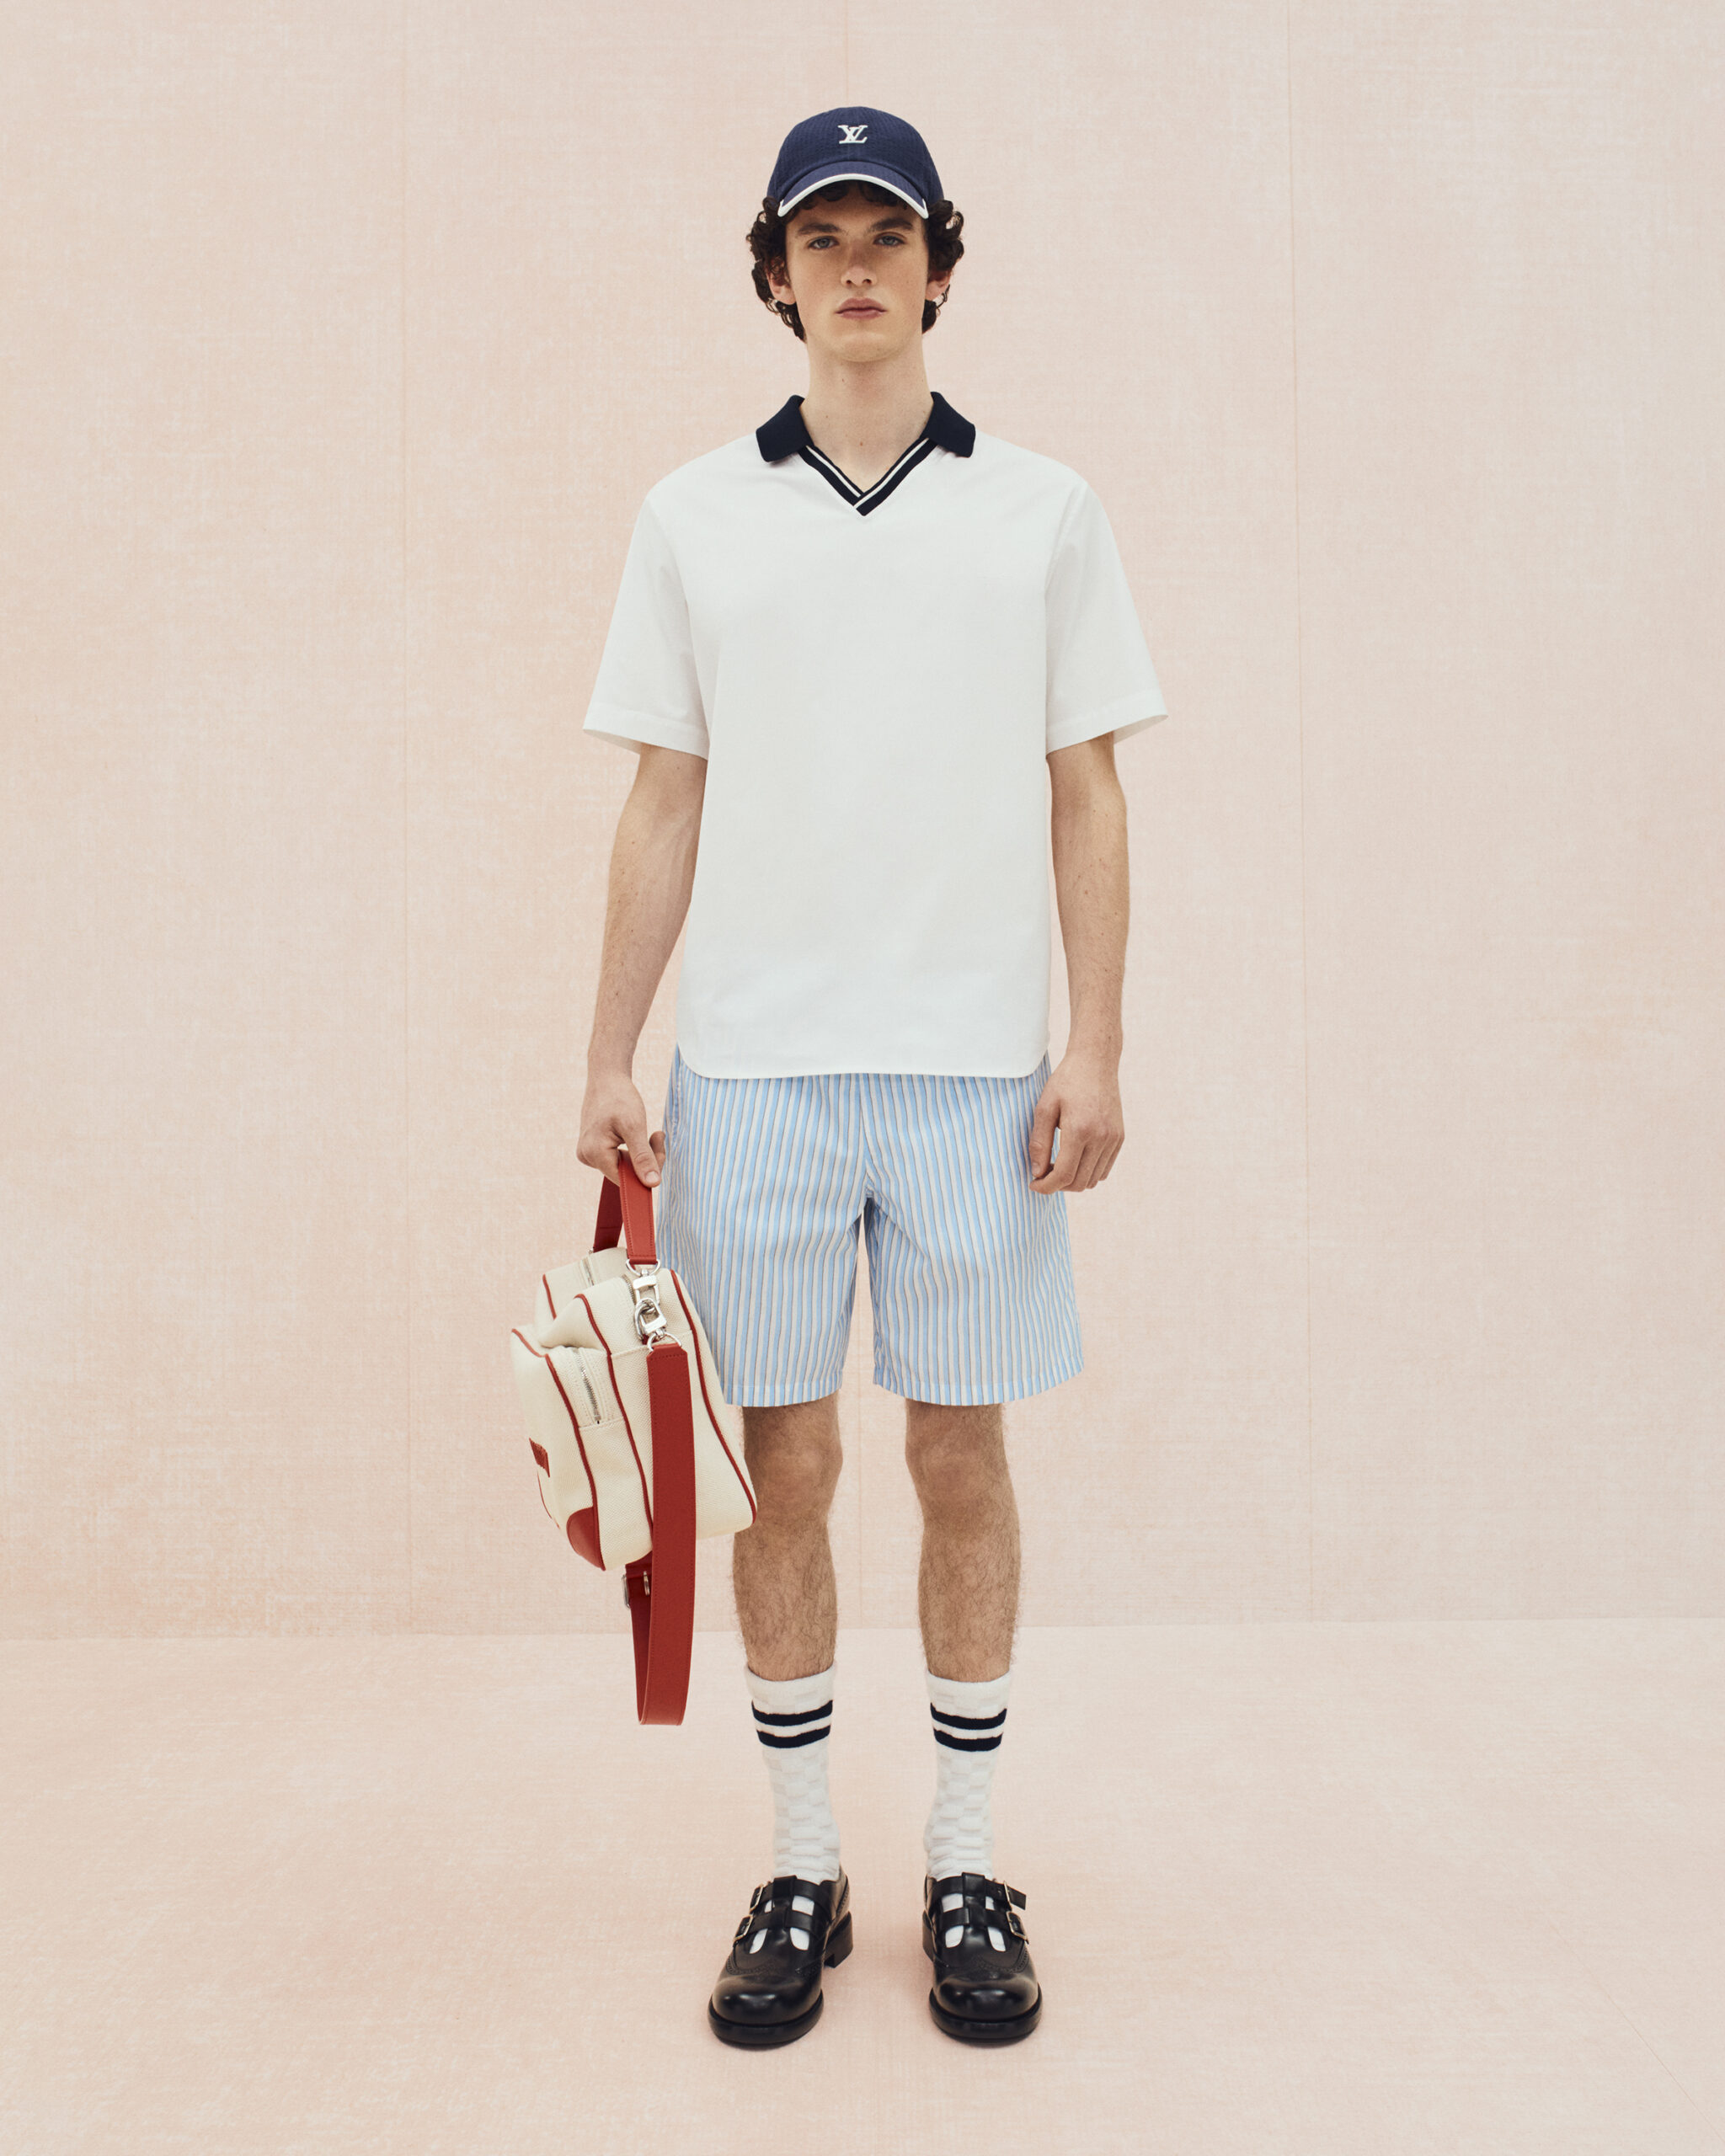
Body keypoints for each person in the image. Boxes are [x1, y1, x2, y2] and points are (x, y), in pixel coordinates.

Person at [576, 105, 1167, 2048]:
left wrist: (1093, 1038)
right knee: (785, 1464)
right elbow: (663, 793)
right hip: (752, 1072)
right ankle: (804, 1858)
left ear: (936, 265)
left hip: (973, 1077)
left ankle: (968, 1859)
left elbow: (1088, 787)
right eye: (819, 236)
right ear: (774, 271)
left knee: (959, 1452)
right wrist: (607, 1048)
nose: (853, 264)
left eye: (885, 234)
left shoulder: (1041, 512)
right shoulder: (692, 516)